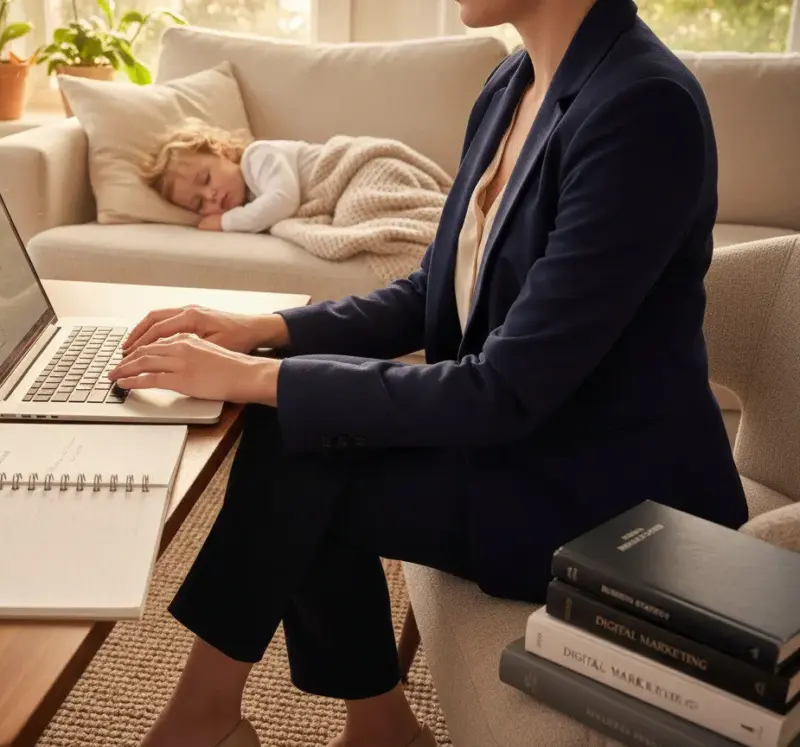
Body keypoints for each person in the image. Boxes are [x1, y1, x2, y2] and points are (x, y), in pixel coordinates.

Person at [109, 0, 750, 745]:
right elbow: (436, 289)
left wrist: (252, 377)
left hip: (607, 498)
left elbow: (504, 389)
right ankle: (334, 725)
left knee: (294, 440)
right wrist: (266, 329)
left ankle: (222, 722)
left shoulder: (643, 108)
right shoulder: (513, 82)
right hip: (529, 443)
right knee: (296, 426)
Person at [141, 118, 321, 233]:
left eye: (206, 179)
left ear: (224, 153)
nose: (209, 196)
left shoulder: (257, 156)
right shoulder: (249, 200)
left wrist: (224, 222)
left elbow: (283, 200)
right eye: (199, 204)